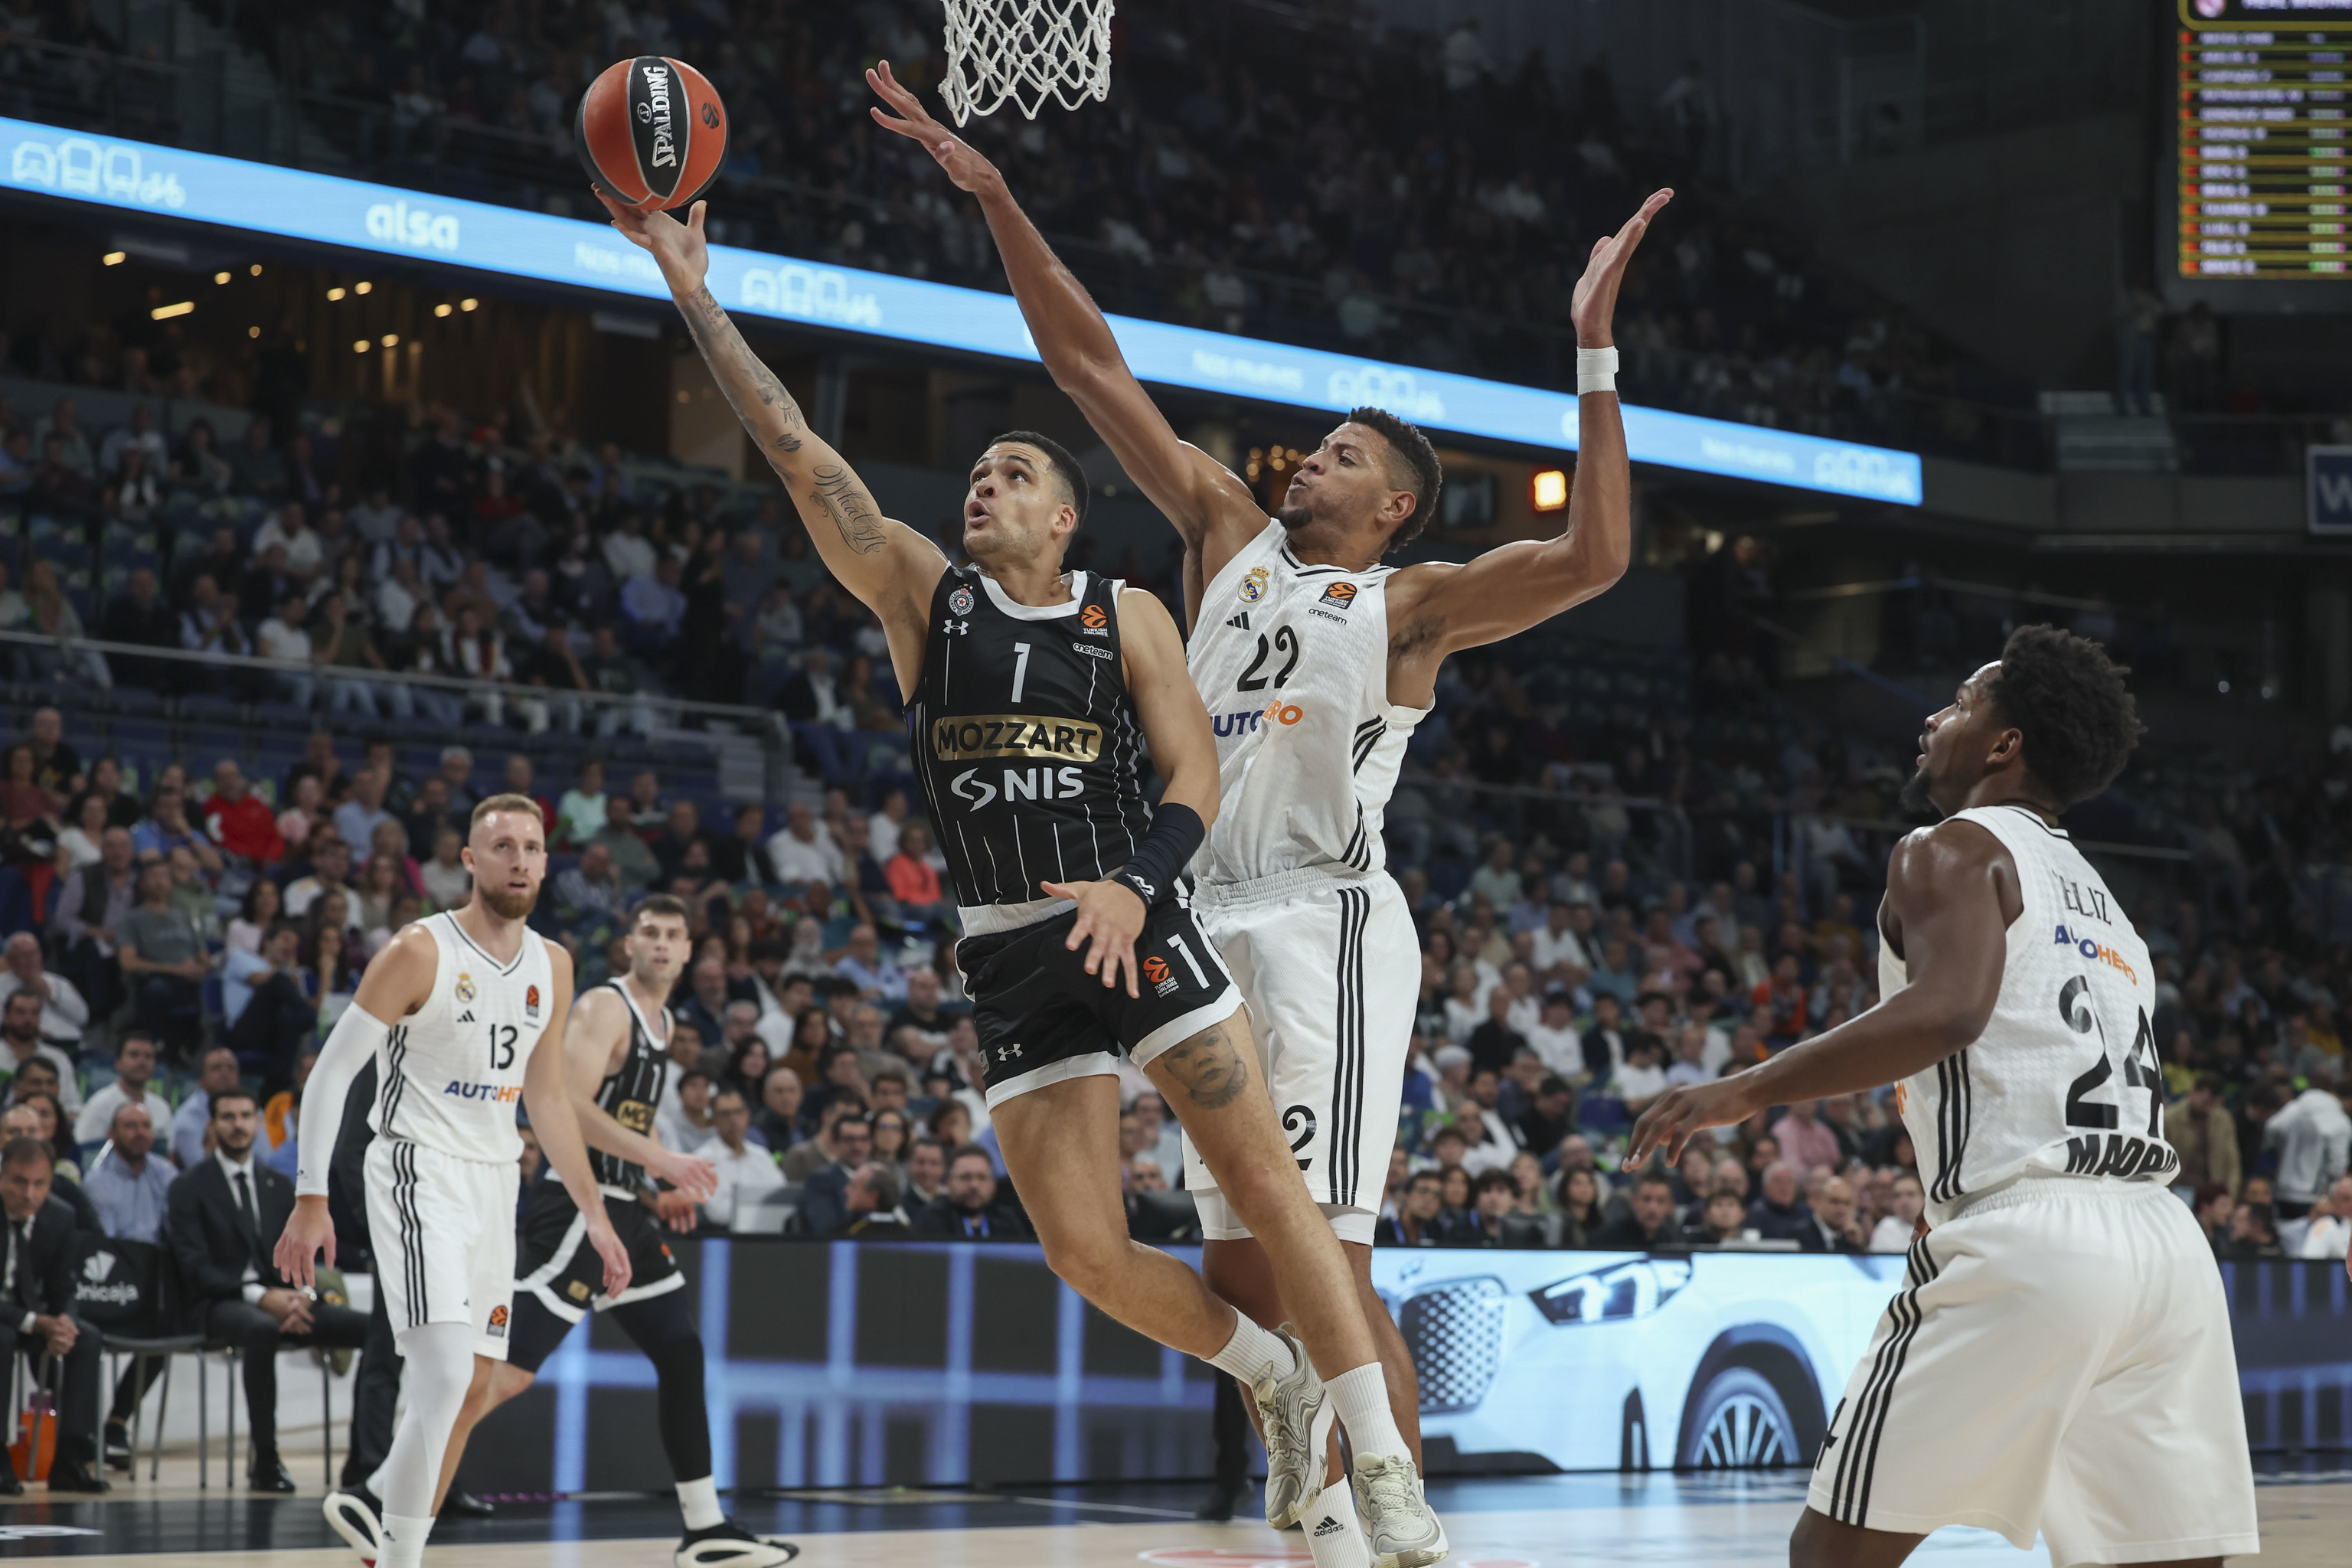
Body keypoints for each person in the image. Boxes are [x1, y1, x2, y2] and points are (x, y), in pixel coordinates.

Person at [871, 62, 1658, 1566]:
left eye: (1350, 454)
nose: (1316, 457)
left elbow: (1604, 555)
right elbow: (1091, 364)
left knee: (1328, 1260)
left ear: (1396, 508)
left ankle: (1393, 1529)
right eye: (1319, 443)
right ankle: (1304, 1493)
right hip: (1184, 918)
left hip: (1321, 924)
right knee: (1241, 1264)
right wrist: (1000, 201)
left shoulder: (1411, 605)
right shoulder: (1222, 531)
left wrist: (1596, 353)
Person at [606, 178, 1435, 1548]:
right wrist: (694, 288)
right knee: (1084, 1252)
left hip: (1144, 918)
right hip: (1010, 944)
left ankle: (1384, 1467)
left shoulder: (1130, 614)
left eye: (1015, 474)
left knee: (1279, 1196)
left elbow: (1195, 777)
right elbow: (792, 440)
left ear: (1065, 517)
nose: (984, 484)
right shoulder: (921, 594)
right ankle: (1273, 1376)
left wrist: (1138, 879)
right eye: (978, 471)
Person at [1629, 626, 2256, 1567]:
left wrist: (1745, 1088)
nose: (1934, 717)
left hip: (2033, 1237)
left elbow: (1949, 1011)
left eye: (1962, 701)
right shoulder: (2107, 900)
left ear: (2006, 744)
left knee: (1834, 1550)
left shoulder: (1951, 846)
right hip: (2166, 1250)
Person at [274, 795, 629, 1568]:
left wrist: (595, 1211)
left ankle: (375, 1506)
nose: (521, 859)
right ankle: (397, 1546)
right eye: (502, 845)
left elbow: (549, 1098)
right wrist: (309, 1196)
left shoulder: (554, 962)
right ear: (469, 859)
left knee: (472, 1386)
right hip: (415, 1165)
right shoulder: (418, 949)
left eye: (533, 846)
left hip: (495, 1181)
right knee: (441, 1370)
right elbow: (332, 1072)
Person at [433, 896, 788, 1566]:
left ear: (689, 952)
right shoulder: (604, 1006)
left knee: (680, 1352)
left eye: (673, 936)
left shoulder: (664, 1021)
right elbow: (563, 1103)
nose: (659, 944)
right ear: (630, 944)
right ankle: (389, 1481)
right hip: (576, 1204)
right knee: (508, 1372)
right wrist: (663, 1160)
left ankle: (705, 1528)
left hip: (623, 1206)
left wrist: (656, 1186)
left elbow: (633, 1116)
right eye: (648, 933)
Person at [167, 1087, 371, 1491]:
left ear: (259, 1122)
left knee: (373, 1328)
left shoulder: (280, 1185)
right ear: (212, 1125)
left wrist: (304, 1297)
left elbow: (299, 1259)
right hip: (217, 1302)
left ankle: (366, 1460)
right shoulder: (188, 1187)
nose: (238, 1125)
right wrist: (262, 1297)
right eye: (228, 1116)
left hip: (286, 1299)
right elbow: (194, 1269)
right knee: (261, 1329)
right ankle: (267, 1457)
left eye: (246, 1115)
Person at [0, 1135, 108, 1492]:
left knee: (87, 1338)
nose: (29, 1194)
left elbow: (65, 1286)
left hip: (34, 1315)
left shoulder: (60, 1216)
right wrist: (36, 1322)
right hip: (11, 1319)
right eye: (18, 1182)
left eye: (39, 1184)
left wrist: (65, 1322)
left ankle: (71, 1460)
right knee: (2, 1339)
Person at [74, 1031, 172, 1156]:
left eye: (148, 1056)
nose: (142, 1062)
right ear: (118, 1063)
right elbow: (84, 1152)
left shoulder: (162, 1108)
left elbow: (169, 1156)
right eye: (134, 1055)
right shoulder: (99, 1105)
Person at [702, 1088, 788, 1230]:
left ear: (747, 1116)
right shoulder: (703, 1159)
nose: (733, 1119)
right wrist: (760, 1212)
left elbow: (781, 1197)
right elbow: (716, 1212)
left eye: (738, 1112)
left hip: (768, 1234)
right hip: (724, 1236)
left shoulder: (762, 1156)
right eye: (725, 1114)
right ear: (714, 1120)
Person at [910, 1143, 1027, 1239]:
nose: (974, 1185)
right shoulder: (931, 1220)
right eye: (965, 1177)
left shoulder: (1008, 1221)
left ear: (993, 1184)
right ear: (949, 1183)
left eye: (982, 1177)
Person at [0, 932, 90, 1053]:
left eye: (33, 953)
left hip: (69, 1045)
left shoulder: (59, 982)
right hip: (24, 1046)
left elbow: (83, 1017)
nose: (30, 960)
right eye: (23, 955)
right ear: (10, 960)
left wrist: (51, 994)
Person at [1868, 1172, 1926, 1254]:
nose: (1903, 1201)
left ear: (1924, 1197)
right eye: (1897, 1196)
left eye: (1910, 1194)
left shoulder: (1938, 1225)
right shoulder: (1887, 1227)